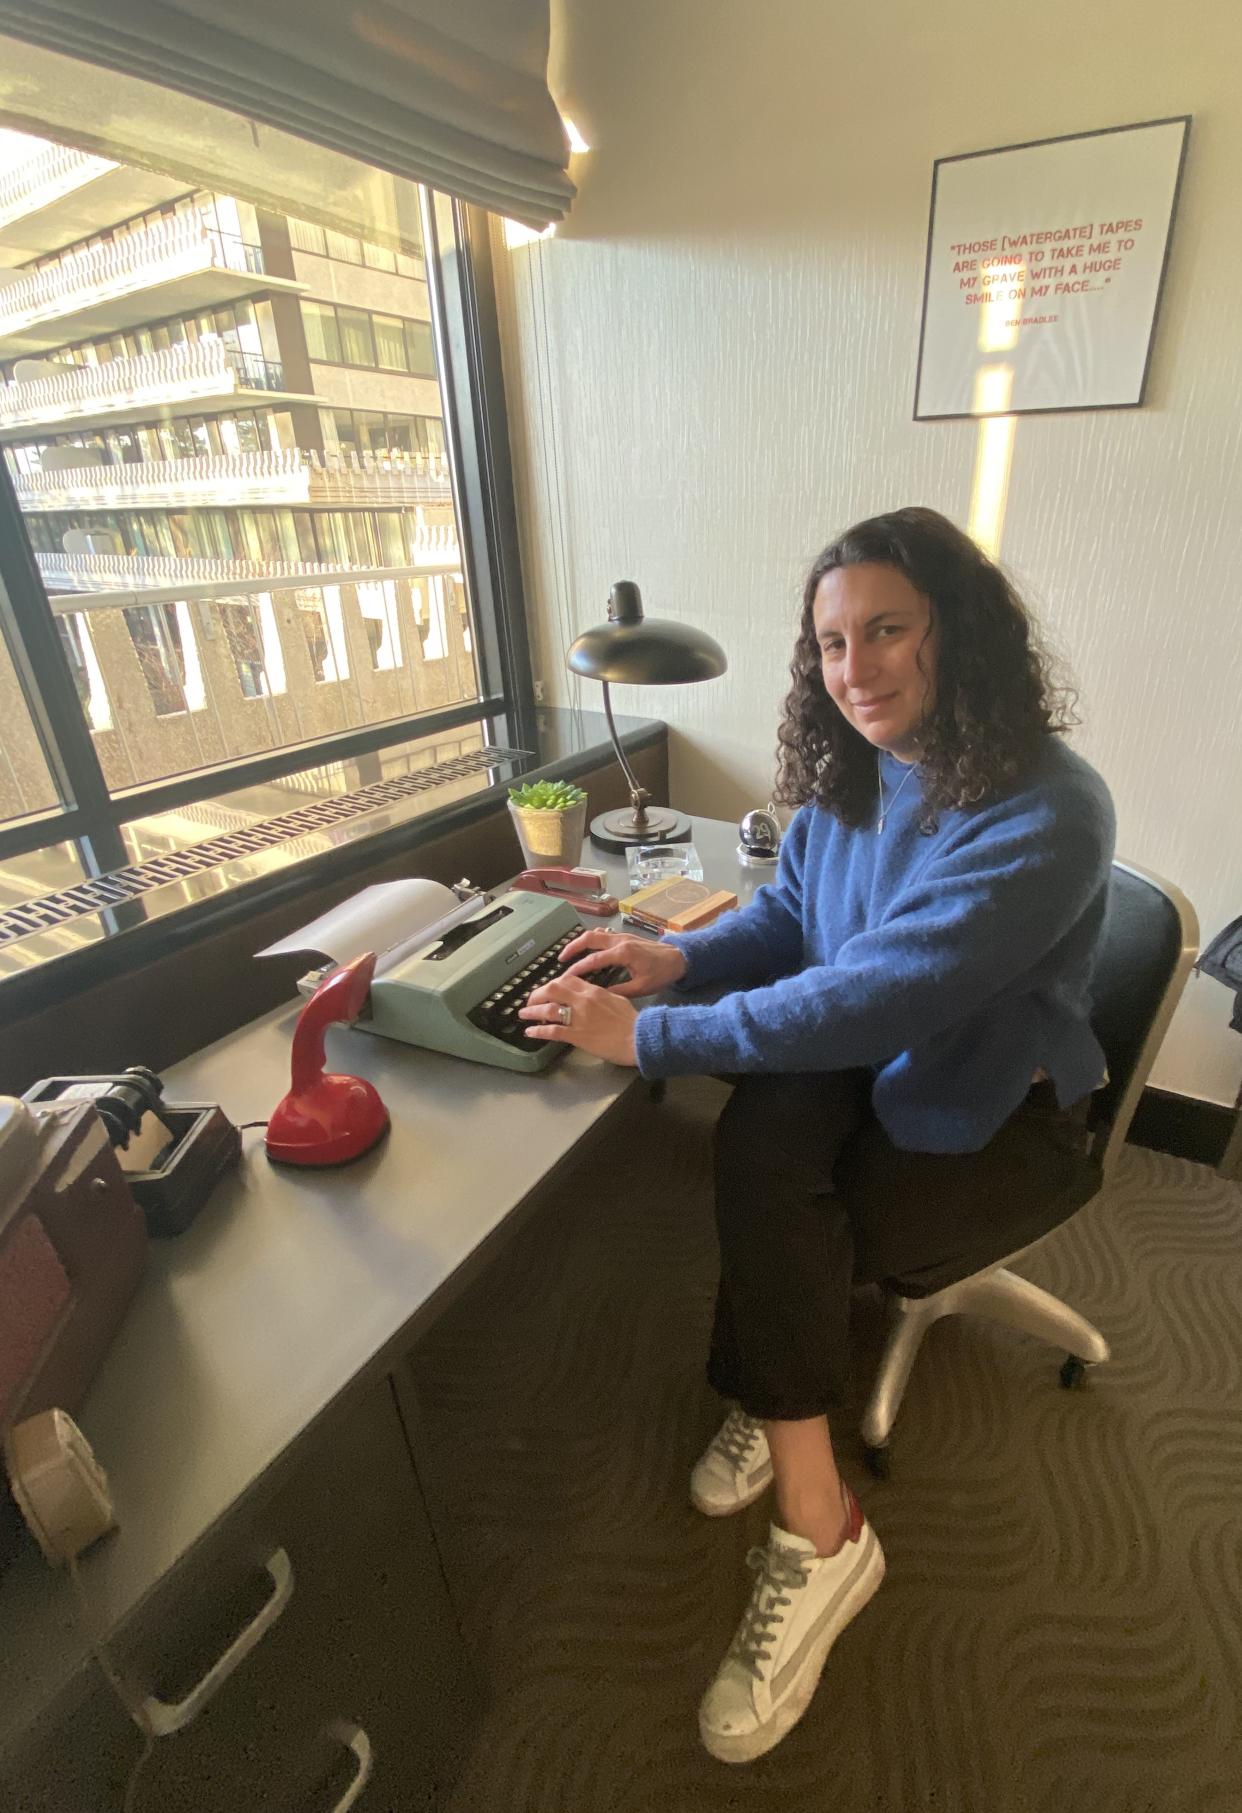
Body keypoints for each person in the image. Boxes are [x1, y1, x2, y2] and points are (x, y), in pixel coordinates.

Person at [519, 506, 1115, 1765]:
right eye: (833, 644)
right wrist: (674, 956)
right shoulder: (857, 769)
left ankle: (819, 1523)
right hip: (883, 1071)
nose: (858, 670)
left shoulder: (1052, 808)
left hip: (992, 1112)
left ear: (961, 631)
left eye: (889, 630)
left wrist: (649, 1038)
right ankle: (802, 1448)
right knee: (767, 1138)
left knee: (778, 1182)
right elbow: (793, 917)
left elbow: (882, 989)